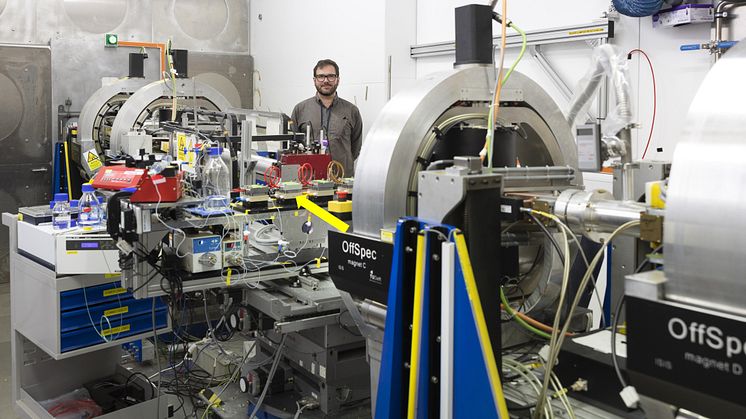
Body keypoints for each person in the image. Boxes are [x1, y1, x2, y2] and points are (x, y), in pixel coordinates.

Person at [291, 59, 363, 176]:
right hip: (309, 179)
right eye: (321, 76)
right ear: (314, 80)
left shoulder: (351, 111)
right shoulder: (300, 110)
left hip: (341, 180)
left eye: (331, 76)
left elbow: (355, 148)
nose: (325, 81)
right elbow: (295, 145)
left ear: (337, 80)